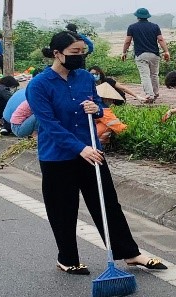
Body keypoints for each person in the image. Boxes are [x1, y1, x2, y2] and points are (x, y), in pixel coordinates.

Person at [27, 31, 167, 274]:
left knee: (107, 203)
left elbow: (100, 107)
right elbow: (49, 124)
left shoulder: (85, 78)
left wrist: (97, 109)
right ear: (57, 54)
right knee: (63, 208)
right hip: (58, 156)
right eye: (74, 52)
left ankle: (130, 254)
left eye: (83, 52)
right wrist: (79, 148)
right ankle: (67, 258)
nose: (80, 57)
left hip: (92, 150)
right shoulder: (39, 85)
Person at [121, 8, 171, 103]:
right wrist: (166, 51)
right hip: (154, 54)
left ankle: (149, 95)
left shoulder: (132, 27)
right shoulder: (155, 26)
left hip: (141, 55)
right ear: (147, 16)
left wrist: (124, 52)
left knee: (145, 75)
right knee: (154, 74)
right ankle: (155, 93)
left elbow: (127, 41)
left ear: (137, 17)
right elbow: (160, 39)